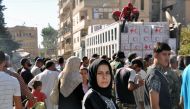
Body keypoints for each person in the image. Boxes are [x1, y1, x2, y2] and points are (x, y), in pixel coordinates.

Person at [144, 42, 172, 109]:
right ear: (155, 55)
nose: (167, 58)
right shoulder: (154, 75)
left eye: (169, 54)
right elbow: (155, 106)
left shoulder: (157, 72)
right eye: (164, 54)